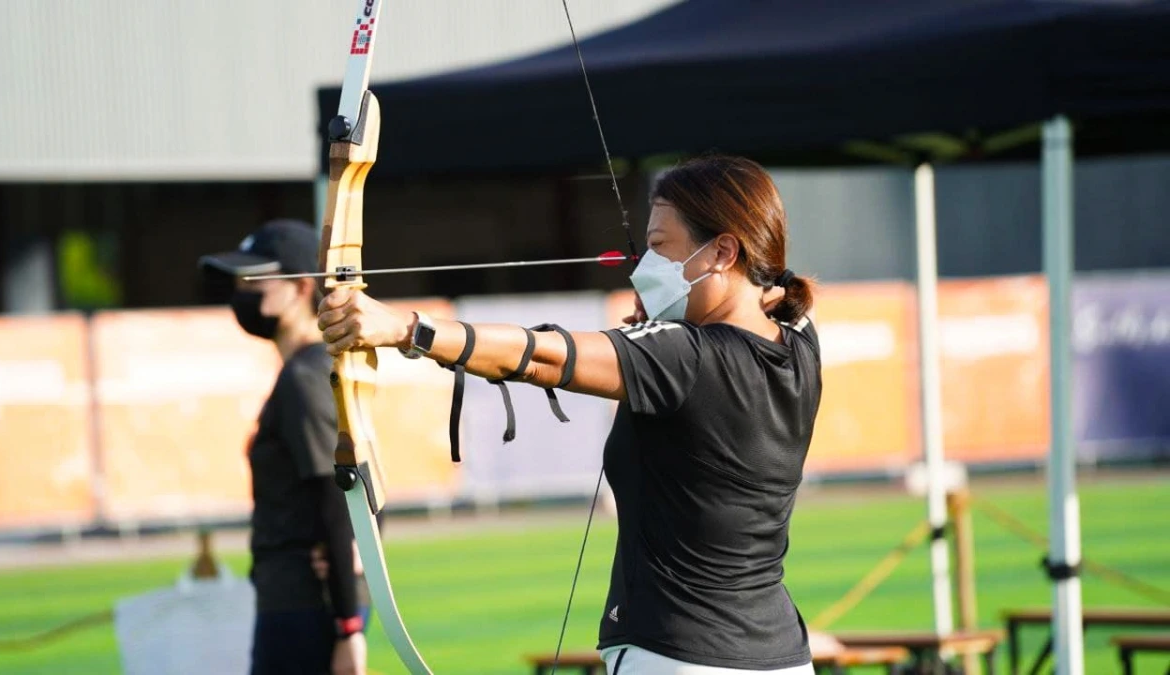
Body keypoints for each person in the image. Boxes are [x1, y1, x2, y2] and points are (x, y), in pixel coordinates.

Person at [317, 155, 823, 674]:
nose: (644, 266)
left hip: (678, 654)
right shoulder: (801, 346)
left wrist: (407, 328)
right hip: (782, 657)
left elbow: (544, 354)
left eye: (658, 246)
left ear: (722, 251)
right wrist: (672, 313)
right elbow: (776, 289)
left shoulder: (687, 356)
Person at [198, 219, 372, 675]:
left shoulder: (305, 376)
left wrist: (349, 629)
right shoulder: (310, 371)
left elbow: (338, 494)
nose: (240, 291)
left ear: (299, 288)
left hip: (306, 607)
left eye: (253, 279)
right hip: (300, 601)